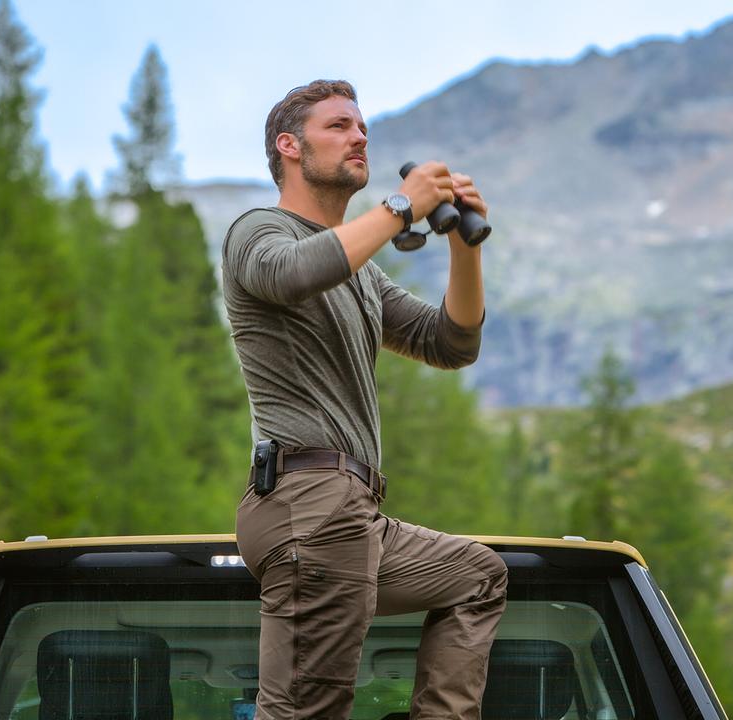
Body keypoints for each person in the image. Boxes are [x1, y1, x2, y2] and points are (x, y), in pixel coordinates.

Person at [222, 79, 508, 720]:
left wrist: (466, 249)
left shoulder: (364, 273)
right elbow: (293, 273)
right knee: (307, 712)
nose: (359, 137)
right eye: (340, 127)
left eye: (363, 129)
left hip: (351, 516)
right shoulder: (257, 231)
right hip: (308, 503)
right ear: (289, 146)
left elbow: (451, 343)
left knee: (478, 575)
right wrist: (400, 208)